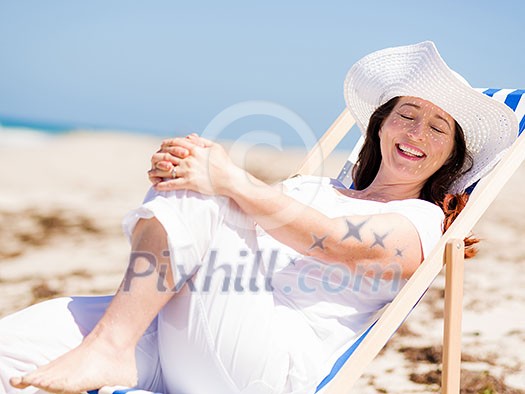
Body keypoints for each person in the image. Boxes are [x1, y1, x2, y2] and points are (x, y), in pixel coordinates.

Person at [0, 41, 518, 394]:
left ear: (451, 156)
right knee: (13, 350)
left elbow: (340, 241)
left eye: (438, 128)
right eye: (407, 114)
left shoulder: (421, 220)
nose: (416, 133)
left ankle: (110, 347)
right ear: (380, 125)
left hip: (262, 365)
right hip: (183, 333)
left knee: (208, 193)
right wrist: (178, 171)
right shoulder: (312, 188)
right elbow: (212, 225)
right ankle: (109, 345)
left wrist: (223, 180)